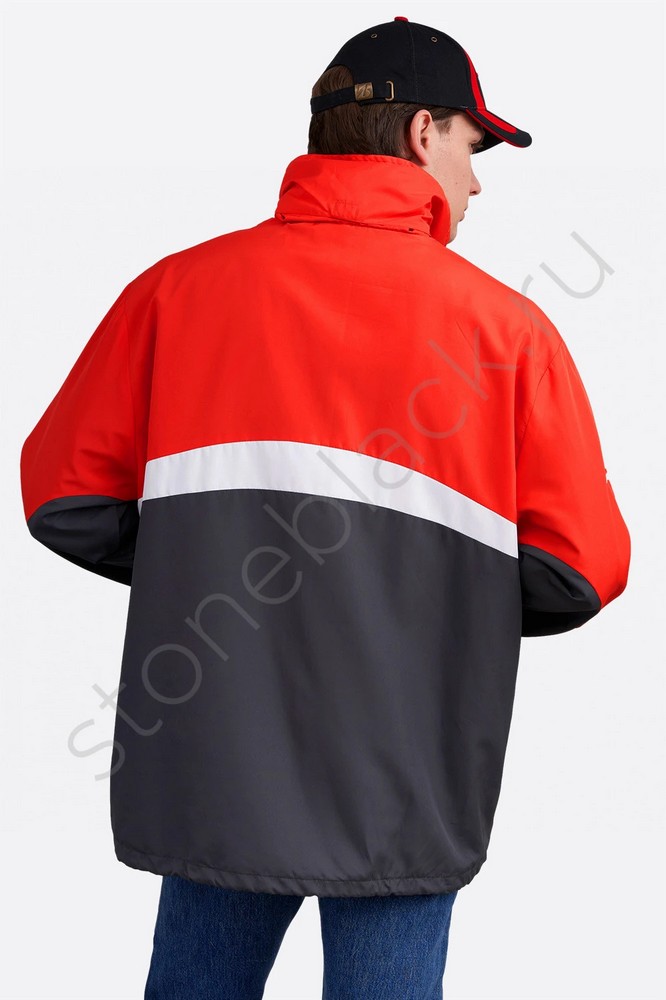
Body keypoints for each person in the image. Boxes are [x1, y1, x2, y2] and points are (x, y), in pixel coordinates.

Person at [19, 16, 631, 1000]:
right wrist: (419, 597)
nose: (476, 185)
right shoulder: (507, 334)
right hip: (402, 778)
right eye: (474, 149)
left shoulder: (173, 294)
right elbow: (583, 568)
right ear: (424, 131)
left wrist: (206, 560)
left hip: (218, 766)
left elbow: (62, 493)